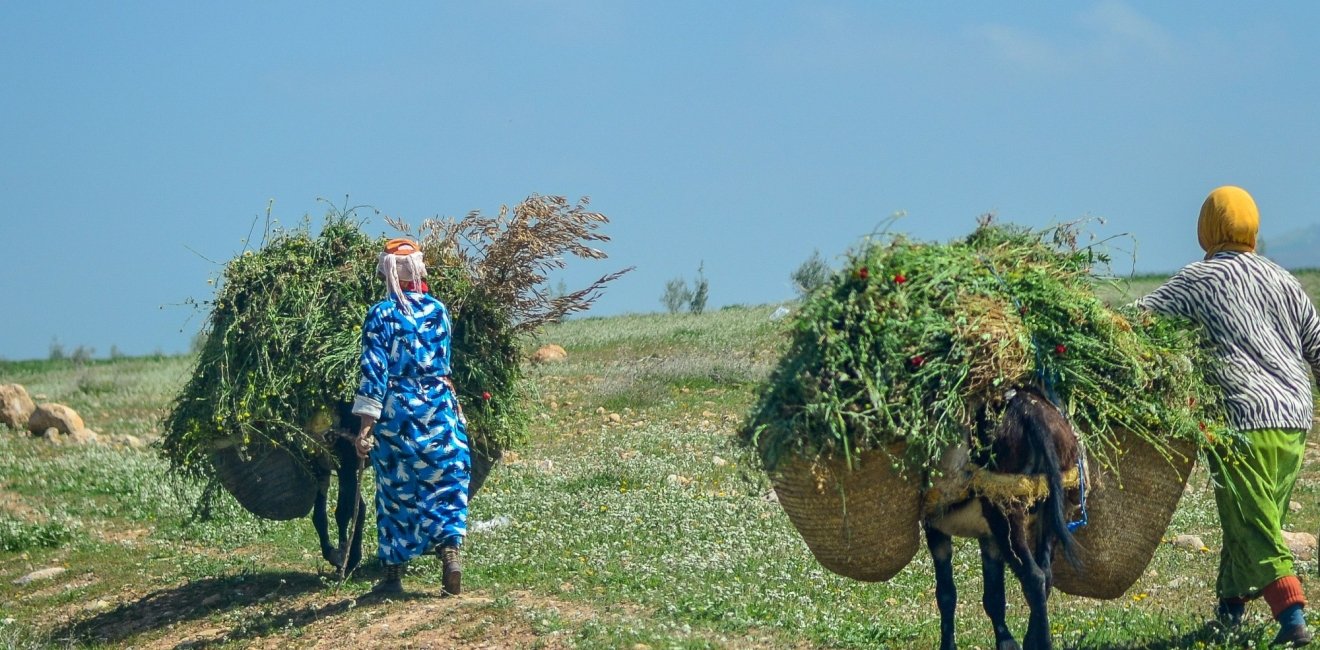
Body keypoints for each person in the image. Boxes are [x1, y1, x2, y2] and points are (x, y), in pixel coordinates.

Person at [1137, 186, 1320, 646]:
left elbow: (1136, 321)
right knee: (1249, 519)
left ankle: (1293, 617)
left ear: (1207, 228)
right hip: (1295, 417)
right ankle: (1229, 609)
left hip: (1241, 418)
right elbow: (1317, 348)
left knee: (1253, 522)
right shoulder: (1285, 279)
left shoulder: (1198, 280)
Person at [352, 237, 471, 596]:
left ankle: (392, 576)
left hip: (399, 411)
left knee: (395, 489)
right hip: (439, 407)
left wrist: (365, 429)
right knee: (445, 484)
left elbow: (375, 372)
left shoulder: (382, 314)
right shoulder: (438, 310)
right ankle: (450, 556)